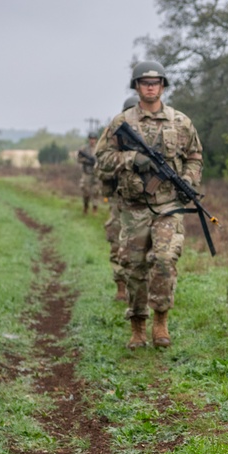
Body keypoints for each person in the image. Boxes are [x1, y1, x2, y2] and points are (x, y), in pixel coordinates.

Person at [96, 62, 204, 349]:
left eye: (156, 82)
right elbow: (102, 160)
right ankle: (137, 326)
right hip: (133, 208)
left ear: (163, 86)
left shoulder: (180, 122)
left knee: (165, 259)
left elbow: (194, 156)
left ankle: (160, 321)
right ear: (137, 86)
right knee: (133, 267)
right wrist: (131, 159)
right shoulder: (121, 124)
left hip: (168, 205)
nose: (151, 86)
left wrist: (190, 180)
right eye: (145, 82)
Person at [96, 95, 140, 302]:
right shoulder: (113, 135)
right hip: (119, 199)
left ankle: (140, 289)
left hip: (144, 200)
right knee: (116, 241)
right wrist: (124, 163)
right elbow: (101, 166)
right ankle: (121, 286)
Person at [78, 132, 100, 214]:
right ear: (89, 139)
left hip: (96, 173)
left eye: (94, 139)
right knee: (86, 191)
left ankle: (95, 208)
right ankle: (85, 207)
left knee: (96, 191)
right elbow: (79, 159)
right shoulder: (84, 149)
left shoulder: (99, 148)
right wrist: (88, 161)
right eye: (91, 139)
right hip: (86, 173)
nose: (92, 141)